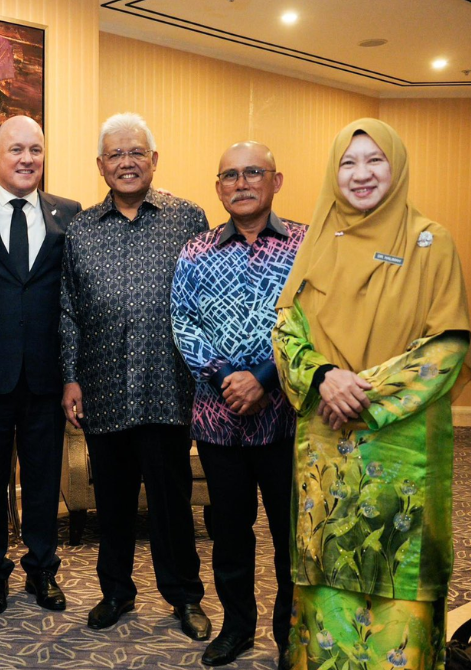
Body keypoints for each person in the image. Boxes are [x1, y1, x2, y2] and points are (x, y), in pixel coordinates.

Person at [273, 118, 470, 669]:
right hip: (326, 451)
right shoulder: (317, 241)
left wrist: (360, 394)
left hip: (401, 452)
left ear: (397, 167)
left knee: (396, 585)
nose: (361, 174)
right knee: (327, 585)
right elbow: (287, 329)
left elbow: (448, 346)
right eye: (348, 163)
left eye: (375, 160)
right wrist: (324, 377)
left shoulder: (431, 240)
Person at [60, 112, 211, 638]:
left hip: (167, 387)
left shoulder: (187, 218)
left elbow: (204, 299)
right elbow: (68, 309)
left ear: (154, 159)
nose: (126, 163)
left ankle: (185, 597)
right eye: (115, 155)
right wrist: (70, 376)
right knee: (114, 505)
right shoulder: (80, 230)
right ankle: (116, 593)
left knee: (171, 504)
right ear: (100, 165)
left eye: (136, 152)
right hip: (102, 387)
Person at [171, 142, 305, 666]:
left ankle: (291, 634)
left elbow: (315, 320)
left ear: (276, 180)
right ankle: (237, 627)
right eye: (230, 175)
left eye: (253, 172)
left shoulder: (307, 245)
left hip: (286, 420)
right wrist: (229, 378)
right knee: (228, 534)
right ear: (218, 187)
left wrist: (265, 379)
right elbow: (183, 321)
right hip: (217, 421)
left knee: (291, 536)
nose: (241, 183)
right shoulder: (196, 250)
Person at [0, 115, 81, 616]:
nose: (27, 159)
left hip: (46, 377)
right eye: (16, 150)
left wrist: (72, 375)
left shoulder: (69, 214)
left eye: (36, 150)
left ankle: (43, 570)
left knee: (44, 482)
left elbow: (72, 298)